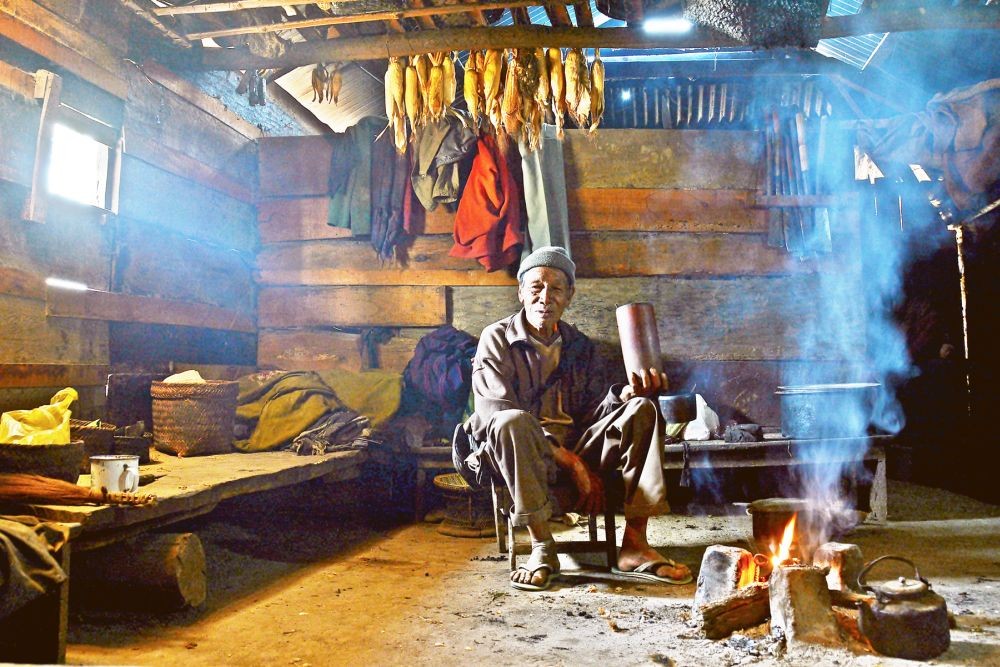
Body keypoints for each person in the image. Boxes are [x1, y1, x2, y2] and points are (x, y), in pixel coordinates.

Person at [453, 246, 693, 591]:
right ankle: (541, 547)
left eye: (556, 289)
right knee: (512, 422)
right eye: (535, 287)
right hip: (523, 454)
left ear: (570, 296)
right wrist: (573, 464)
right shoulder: (497, 339)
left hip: (576, 445)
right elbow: (495, 413)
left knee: (642, 410)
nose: (545, 297)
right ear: (521, 292)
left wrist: (622, 398)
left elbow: (592, 413)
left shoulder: (578, 345)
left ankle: (635, 546)